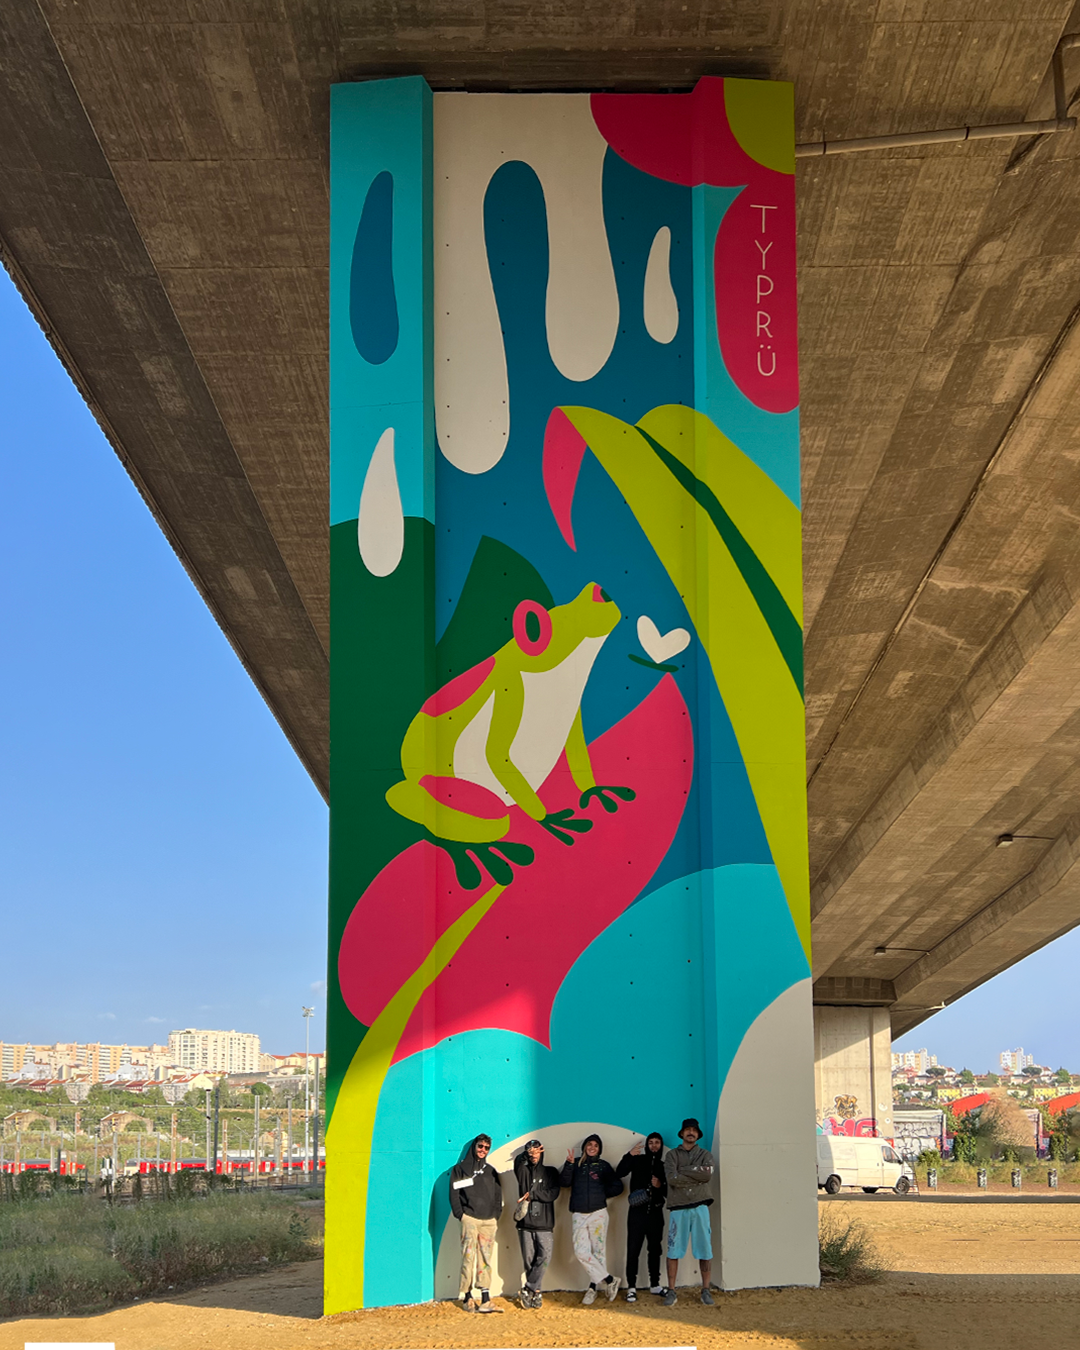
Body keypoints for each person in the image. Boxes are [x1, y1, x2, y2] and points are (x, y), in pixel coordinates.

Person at [559, 1133, 623, 1304]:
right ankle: (610, 1280)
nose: (592, 1147)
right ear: (584, 1147)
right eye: (590, 1144)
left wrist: (600, 1195)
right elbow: (564, 1182)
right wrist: (568, 1165)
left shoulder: (603, 1166)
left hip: (598, 1213)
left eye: (596, 1145)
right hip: (578, 1213)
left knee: (598, 1252)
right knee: (581, 1251)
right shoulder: (576, 1164)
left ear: (599, 1149)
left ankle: (592, 1289)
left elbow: (618, 1186)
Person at [662, 1118, 714, 1306]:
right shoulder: (672, 1156)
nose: (691, 1132)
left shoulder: (705, 1154)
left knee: (705, 1250)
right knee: (673, 1250)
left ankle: (706, 1289)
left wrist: (683, 1171)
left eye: (694, 1130)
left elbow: (706, 1175)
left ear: (698, 1134)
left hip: (700, 1207)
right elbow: (671, 1178)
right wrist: (695, 1173)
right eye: (687, 1130)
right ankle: (672, 1290)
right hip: (678, 1208)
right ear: (682, 1133)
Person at [449, 1134, 503, 1313]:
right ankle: (467, 1297)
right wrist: (461, 1215)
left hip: (489, 1221)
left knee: (485, 1259)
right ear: (474, 1147)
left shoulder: (491, 1171)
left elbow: (498, 1195)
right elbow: (454, 1193)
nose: (483, 1150)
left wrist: (496, 1215)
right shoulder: (460, 1169)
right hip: (469, 1219)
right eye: (480, 1146)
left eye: (486, 1148)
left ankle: (486, 1299)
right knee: (468, 1257)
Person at [615, 1131, 667, 1301]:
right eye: (651, 1142)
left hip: (656, 1214)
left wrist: (659, 1185)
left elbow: (669, 1192)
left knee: (655, 1250)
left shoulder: (664, 1165)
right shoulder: (637, 1160)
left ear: (661, 1145)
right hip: (637, 1214)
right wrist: (629, 1155)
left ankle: (655, 1284)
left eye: (657, 1142)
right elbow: (620, 1172)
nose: (654, 1145)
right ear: (646, 1145)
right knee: (633, 1250)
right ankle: (631, 1287)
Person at [513, 1139, 561, 1308]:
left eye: (536, 1150)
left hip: (545, 1224)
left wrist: (533, 1196)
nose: (534, 1153)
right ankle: (536, 1292)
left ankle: (528, 1288)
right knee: (529, 1261)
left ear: (542, 1151)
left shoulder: (551, 1172)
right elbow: (518, 1162)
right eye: (530, 1151)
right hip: (525, 1224)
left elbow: (554, 1193)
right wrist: (526, 1154)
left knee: (544, 1258)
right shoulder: (522, 1171)